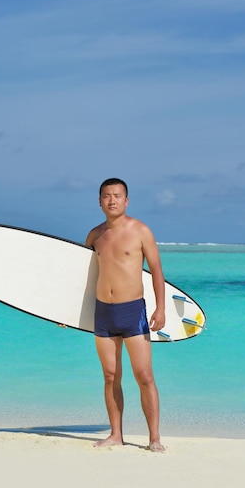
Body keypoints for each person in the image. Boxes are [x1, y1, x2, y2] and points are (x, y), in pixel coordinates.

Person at [85, 178, 166, 452]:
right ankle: (116, 434)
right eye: (106, 196)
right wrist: (67, 314)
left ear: (126, 200)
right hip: (102, 312)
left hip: (132, 311)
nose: (112, 200)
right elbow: (81, 278)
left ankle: (154, 438)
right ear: (99, 201)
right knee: (110, 376)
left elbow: (156, 270)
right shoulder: (95, 236)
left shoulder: (141, 231)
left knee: (144, 376)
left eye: (117, 195)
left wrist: (161, 308)